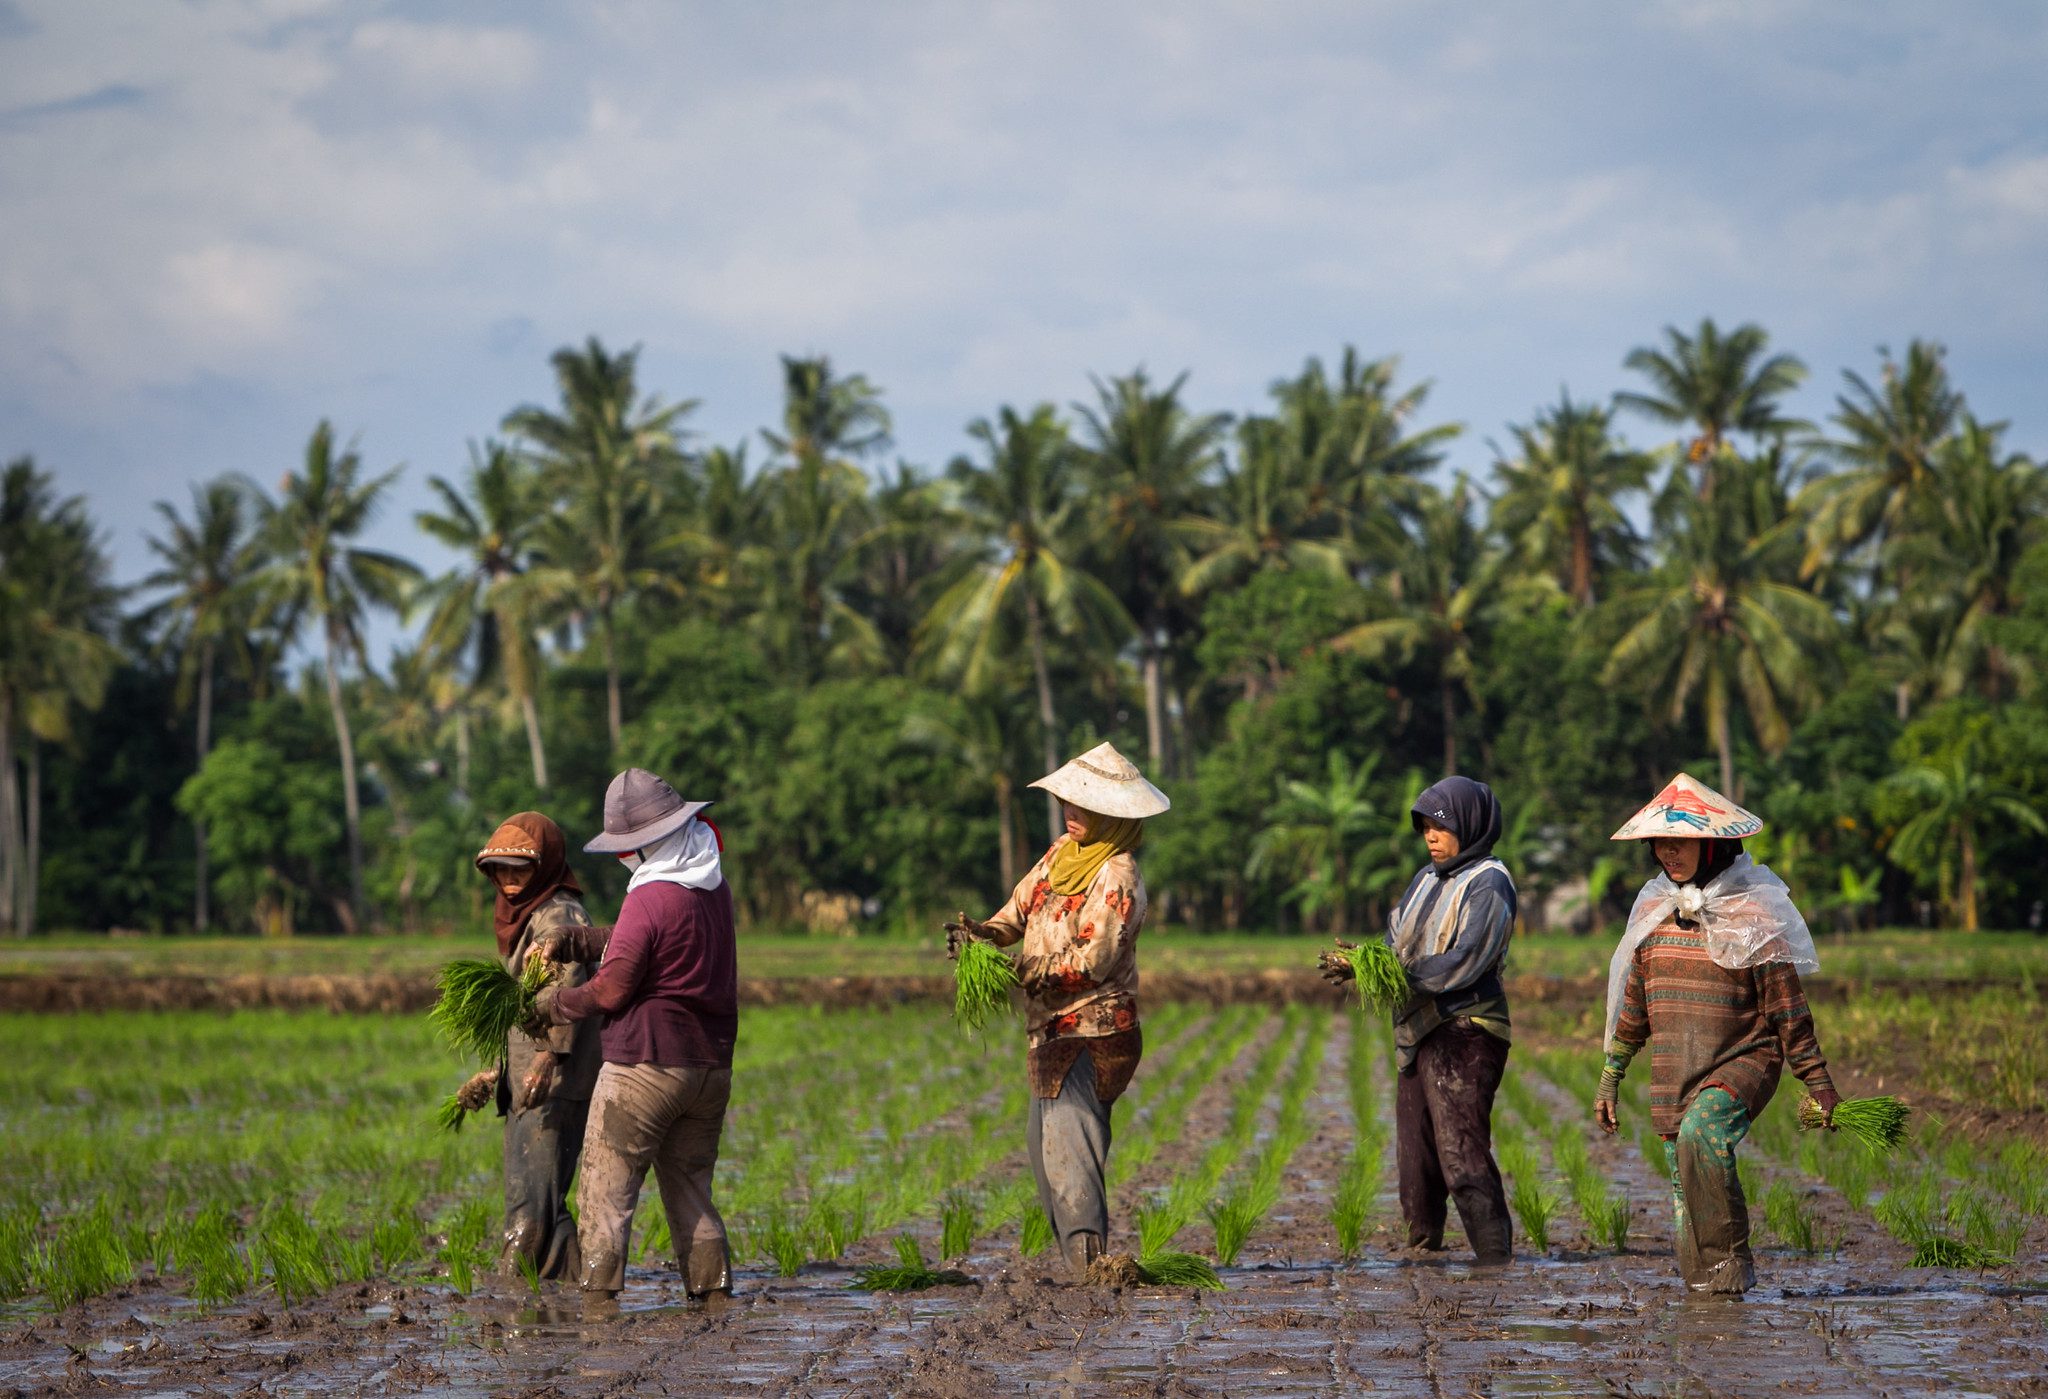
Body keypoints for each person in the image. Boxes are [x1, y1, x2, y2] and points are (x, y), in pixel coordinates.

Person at [1596, 773, 1839, 1296]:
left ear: (1714, 845)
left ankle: (1731, 1272)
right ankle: (1705, 1294)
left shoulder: (1753, 915)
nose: (1669, 851)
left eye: (1681, 841)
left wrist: (1818, 1083)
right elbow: (1635, 1009)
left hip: (1744, 1056)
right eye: (1662, 842)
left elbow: (1788, 1011)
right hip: (1675, 1069)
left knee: (1702, 1136)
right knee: (1686, 1185)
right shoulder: (1655, 916)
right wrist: (1610, 1078)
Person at [945, 741, 1168, 1278]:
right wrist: (980, 936)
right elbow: (1014, 914)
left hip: (1094, 1031)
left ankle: (1094, 1271)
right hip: (1048, 1032)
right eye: (1069, 800)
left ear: (1113, 814)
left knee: (1071, 1155)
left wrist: (1018, 971)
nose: (1071, 811)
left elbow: (1090, 963)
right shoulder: (1056, 857)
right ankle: (1079, 1268)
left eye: (1084, 803)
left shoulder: (1118, 875)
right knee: (1044, 1158)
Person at [526, 768, 738, 1315]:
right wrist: (573, 940)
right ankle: (713, 1296)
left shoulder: (650, 897)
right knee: (690, 1189)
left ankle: (598, 1304)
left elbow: (613, 988)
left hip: (645, 1066)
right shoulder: (709, 885)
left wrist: (552, 1005)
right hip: (708, 1067)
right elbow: (638, 941)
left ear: (644, 845)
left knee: (605, 1190)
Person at [1319, 775, 1516, 1265]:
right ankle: (1423, 1251)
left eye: (1440, 827)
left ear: (1469, 827)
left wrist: (1392, 973)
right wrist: (1362, 962)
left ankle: (1495, 1260)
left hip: (1466, 1031)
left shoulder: (1489, 882)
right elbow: (1395, 942)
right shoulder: (1425, 880)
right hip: (1418, 1029)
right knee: (1416, 1156)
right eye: (1424, 827)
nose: (1430, 836)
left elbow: (1466, 959)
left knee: (1459, 1151)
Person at [451, 812, 600, 1280]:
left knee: (528, 1208)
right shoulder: (526, 918)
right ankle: (564, 1301)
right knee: (544, 1204)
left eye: (521, 867)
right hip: (528, 1079)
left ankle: (512, 1296)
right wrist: (495, 1072)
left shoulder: (559, 914)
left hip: (552, 1081)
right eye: (501, 869)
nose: (509, 878)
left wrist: (546, 1057)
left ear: (547, 865)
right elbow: (519, 1006)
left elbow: (569, 989)